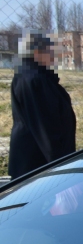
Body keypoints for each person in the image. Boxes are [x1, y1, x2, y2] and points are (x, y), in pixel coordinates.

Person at [9, 31, 76, 179]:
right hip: (36, 162)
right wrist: (59, 165)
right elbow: (44, 126)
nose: (54, 55)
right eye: (50, 50)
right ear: (36, 52)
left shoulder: (30, 75)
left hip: (32, 158)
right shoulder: (35, 80)